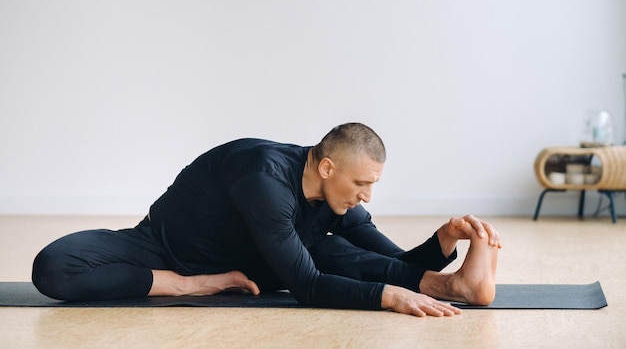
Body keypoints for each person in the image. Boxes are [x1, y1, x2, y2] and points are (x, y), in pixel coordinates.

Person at [32, 122, 501, 317]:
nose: (367, 195)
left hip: (259, 264)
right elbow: (308, 288)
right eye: (362, 184)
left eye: (373, 185)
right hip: (167, 250)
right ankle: (181, 283)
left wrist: (442, 241)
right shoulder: (264, 179)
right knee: (54, 267)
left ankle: (456, 286)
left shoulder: (338, 198)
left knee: (341, 252)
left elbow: (395, 259)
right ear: (327, 167)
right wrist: (387, 299)